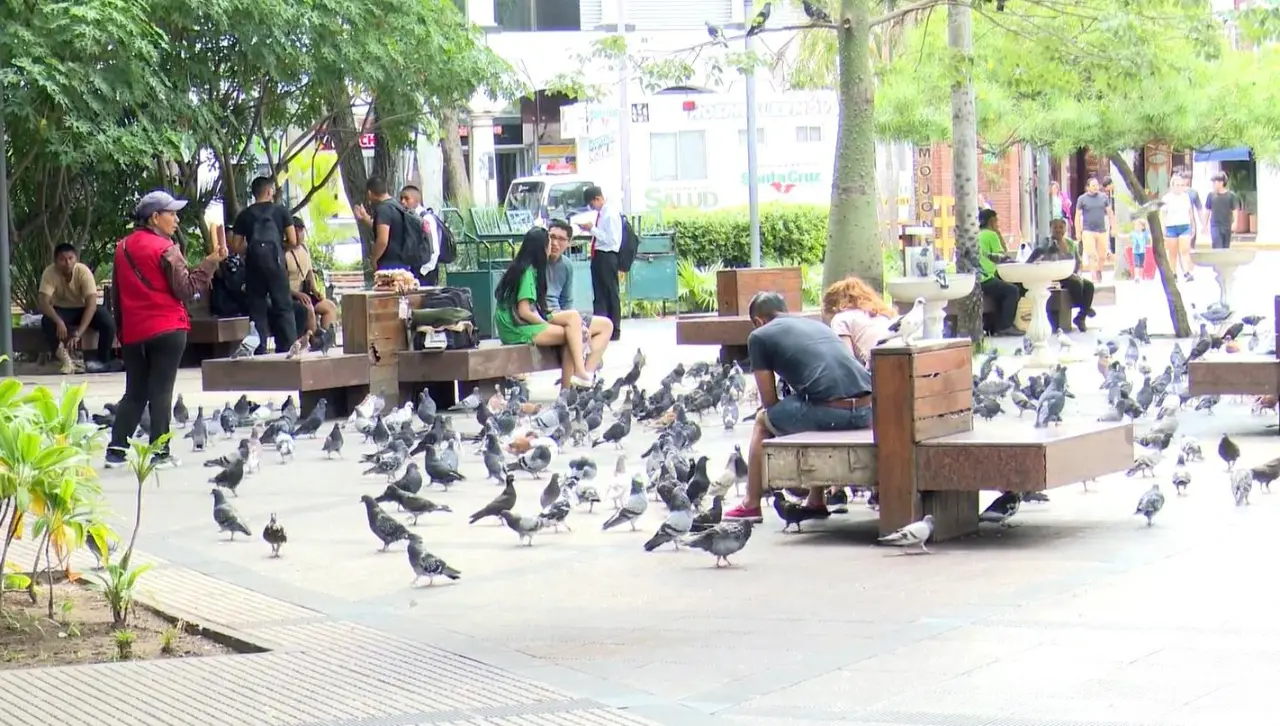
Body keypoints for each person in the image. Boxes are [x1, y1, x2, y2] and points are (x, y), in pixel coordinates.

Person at [724, 292, 874, 522]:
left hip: (834, 412)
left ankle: (751, 503)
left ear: (758, 321)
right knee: (810, 404)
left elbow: (769, 401)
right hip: (867, 410)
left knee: (763, 420)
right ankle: (815, 499)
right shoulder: (818, 326)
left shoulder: (759, 336)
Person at [105, 190, 227, 469]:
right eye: (171, 214)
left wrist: (122, 333)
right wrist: (210, 263)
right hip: (167, 329)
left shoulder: (122, 248)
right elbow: (186, 289)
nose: (176, 219)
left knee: (135, 391)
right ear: (154, 218)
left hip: (134, 332)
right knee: (161, 391)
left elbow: (117, 296)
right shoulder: (166, 248)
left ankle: (116, 450)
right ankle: (160, 452)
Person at [493, 227, 593, 389]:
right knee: (571, 336)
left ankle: (576, 378)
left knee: (573, 319)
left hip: (515, 323)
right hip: (515, 328)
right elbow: (524, 311)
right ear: (541, 248)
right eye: (549, 243)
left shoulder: (524, 267)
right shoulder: (528, 272)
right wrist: (547, 325)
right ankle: (573, 382)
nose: (552, 246)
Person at [231, 176, 297, 354]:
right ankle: (289, 347)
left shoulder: (244, 215)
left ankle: (259, 351)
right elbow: (293, 239)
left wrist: (251, 252)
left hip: (254, 268)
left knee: (257, 308)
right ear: (269, 192)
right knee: (283, 306)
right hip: (276, 265)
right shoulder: (281, 211)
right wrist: (280, 249)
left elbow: (235, 245)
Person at [37, 243, 118, 374]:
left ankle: (102, 361)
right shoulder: (49, 273)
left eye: (70, 258)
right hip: (62, 310)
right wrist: (58, 321)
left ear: (76, 258)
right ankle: (65, 360)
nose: (67, 263)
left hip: (83, 309)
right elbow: (43, 302)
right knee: (46, 321)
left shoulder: (83, 271)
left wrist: (78, 333)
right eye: (62, 259)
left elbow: (91, 304)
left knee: (107, 321)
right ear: (56, 261)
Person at [545, 219, 612, 372]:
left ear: (569, 243)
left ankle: (585, 378)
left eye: (561, 239)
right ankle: (579, 374)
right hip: (546, 316)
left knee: (606, 325)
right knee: (575, 330)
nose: (555, 243)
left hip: (563, 315)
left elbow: (567, 302)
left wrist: (580, 324)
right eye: (552, 237)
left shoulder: (567, 265)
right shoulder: (537, 261)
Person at [579, 185, 623, 341]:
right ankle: (601, 326)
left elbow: (611, 239)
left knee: (610, 292)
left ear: (598, 199)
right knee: (599, 294)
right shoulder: (603, 214)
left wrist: (593, 229)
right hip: (599, 255)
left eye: (592, 204)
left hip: (607, 255)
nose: (592, 208)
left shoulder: (610, 214)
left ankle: (614, 328)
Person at [821, 276, 894, 366]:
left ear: (832, 308)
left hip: (877, 368)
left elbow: (846, 361)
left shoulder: (841, 319)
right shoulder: (882, 315)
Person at [284, 217, 338, 337]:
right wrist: (297, 294)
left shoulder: (304, 249)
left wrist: (314, 290)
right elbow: (280, 283)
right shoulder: (283, 253)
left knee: (330, 306)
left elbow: (309, 273)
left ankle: (326, 338)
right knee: (309, 310)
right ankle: (312, 341)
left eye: (300, 230)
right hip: (291, 296)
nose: (299, 235)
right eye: (295, 231)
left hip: (305, 293)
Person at [1044, 218, 1095, 332]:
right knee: (1076, 284)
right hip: (1055, 276)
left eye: (1061, 227)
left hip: (1070, 274)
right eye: (1055, 227)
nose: (1058, 230)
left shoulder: (1070, 243)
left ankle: (1081, 317)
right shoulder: (1047, 243)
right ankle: (1086, 307)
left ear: (1065, 229)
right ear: (1051, 229)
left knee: (1089, 286)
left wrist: (1078, 273)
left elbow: (1078, 261)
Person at [977, 209, 1021, 336]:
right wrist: (997, 232)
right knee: (1013, 290)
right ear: (992, 221)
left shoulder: (978, 234)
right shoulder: (991, 234)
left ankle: (995, 326)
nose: (998, 224)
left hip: (978, 277)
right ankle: (1006, 326)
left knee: (1002, 290)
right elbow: (1002, 255)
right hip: (985, 278)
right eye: (996, 221)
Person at [398, 185, 442, 286]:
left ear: (416, 200)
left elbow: (435, 248)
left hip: (425, 272)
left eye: (406, 198)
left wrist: (423, 271)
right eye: (401, 198)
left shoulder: (426, 218)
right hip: (412, 270)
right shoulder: (407, 218)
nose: (403, 202)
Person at [1074, 177, 1115, 282]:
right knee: (1092, 255)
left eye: (1097, 185)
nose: (1096, 187)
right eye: (1093, 185)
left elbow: (1110, 213)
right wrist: (1078, 231)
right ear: (1087, 187)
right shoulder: (1082, 199)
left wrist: (1113, 227)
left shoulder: (1104, 197)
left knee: (1102, 256)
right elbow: (1077, 216)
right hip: (1088, 230)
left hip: (1102, 230)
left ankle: (1099, 270)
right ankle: (1094, 278)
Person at [1160, 173, 1196, 281]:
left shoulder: (1185, 197)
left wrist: (1193, 224)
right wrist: (1163, 228)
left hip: (1184, 225)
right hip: (1171, 227)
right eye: (1177, 185)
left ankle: (1187, 272)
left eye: (1181, 185)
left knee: (1185, 250)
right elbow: (1162, 214)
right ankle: (1173, 273)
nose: (1180, 187)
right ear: (1172, 186)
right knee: (1172, 252)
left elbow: (1190, 212)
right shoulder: (1166, 198)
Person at [1204, 171, 1240, 250]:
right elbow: (1207, 211)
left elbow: (1235, 210)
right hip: (1215, 226)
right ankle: (1217, 262)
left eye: (1215, 182)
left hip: (1227, 226)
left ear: (1221, 183)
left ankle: (1223, 262)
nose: (1214, 184)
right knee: (1217, 246)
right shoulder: (1211, 195)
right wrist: (1204, 225)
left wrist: (1235, 222)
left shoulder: (1231, 195)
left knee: (1225, 247)